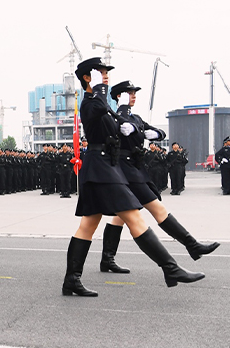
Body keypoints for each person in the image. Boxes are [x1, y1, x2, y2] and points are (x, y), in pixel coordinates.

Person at [62, 59, 203, 297]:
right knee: (134, 217)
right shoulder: (89, 102)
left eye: (106, 73)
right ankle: (170, 268)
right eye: (101, 73)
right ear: (88, 77)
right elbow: (94, 111)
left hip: (106, 167)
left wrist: (135, 127)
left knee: (87, 225)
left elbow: (122, 128)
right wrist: (99, 90)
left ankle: (71, 281)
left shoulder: (102, 103)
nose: (106, 76)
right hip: (100, 169)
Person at [98, 81, 219, 274]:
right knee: (156, 208)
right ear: (119, 96)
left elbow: (158, 132)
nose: (134, 95)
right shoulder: (115, 118)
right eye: (130, 93)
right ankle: (191, 245)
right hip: (125, 171)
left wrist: (154, 133)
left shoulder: (135, 117)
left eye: (135, 93)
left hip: (134, 170)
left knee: (120, 217)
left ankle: (107, 259)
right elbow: (112, 137)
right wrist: (135, 130)